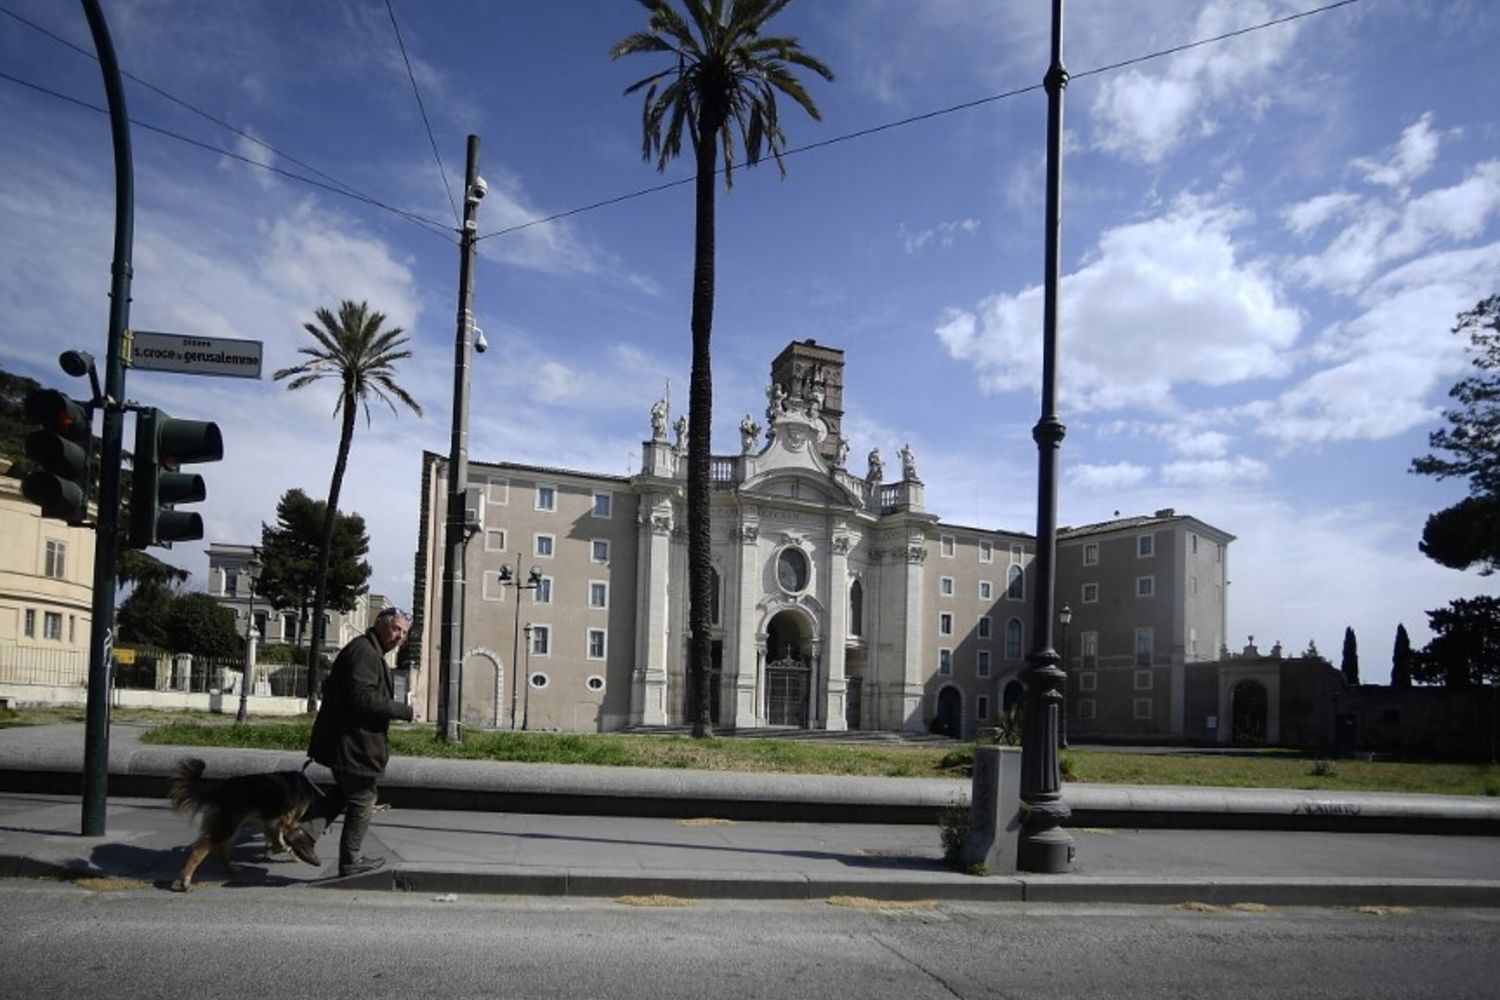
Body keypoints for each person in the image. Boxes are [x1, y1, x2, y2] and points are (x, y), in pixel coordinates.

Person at [291, 606, 414, 877]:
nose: (399, 637)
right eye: (396, 629)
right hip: (352, 741)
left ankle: (305, 834)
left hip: (349, 740)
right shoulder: (364, 653)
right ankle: (350, 860)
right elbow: (363, 699)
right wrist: (403, 710)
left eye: (404, 633)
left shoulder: (369, 651)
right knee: (363, 798)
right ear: (379, 624)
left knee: (346, 791)